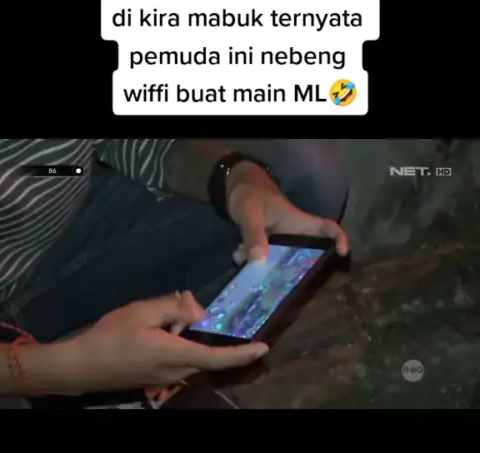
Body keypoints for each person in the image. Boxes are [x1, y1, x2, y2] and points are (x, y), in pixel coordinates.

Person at [0, 138, 349, 399]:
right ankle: (114, 373)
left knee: (305, 179)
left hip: (67, 217)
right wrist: (58, 370)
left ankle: (168, 360)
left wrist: (236, 180)